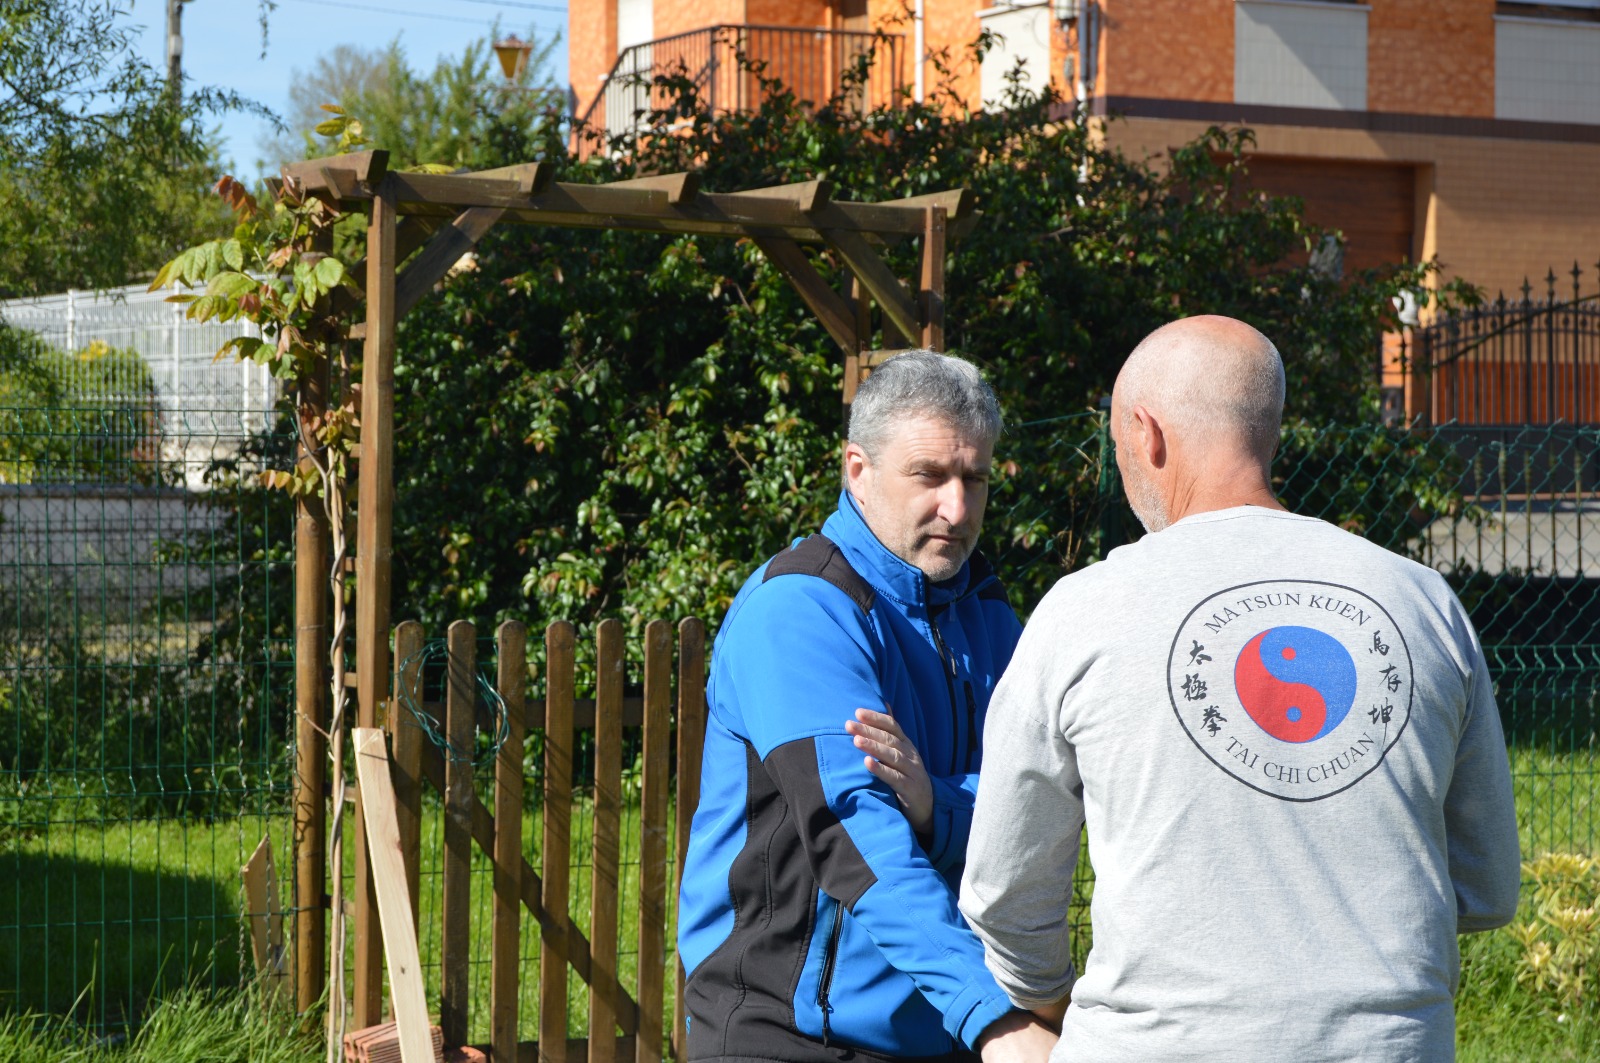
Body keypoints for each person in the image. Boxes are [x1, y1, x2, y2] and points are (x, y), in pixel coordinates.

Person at [959, 316, 1521, 1063]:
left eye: (1119, 446)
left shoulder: (1083, 610)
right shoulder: (1422, 601)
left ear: (1147, 434)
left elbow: (1004, 893)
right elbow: (1487, 886)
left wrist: (1054, 1002)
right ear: (1268, 432)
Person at [677, 350, 1050, 1063]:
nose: (957, 508)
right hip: (788, 1037)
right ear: (858, 469)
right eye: (929, 475)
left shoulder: (988, 615)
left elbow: (1041, 800)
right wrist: (996, 1020)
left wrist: (934, 805)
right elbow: (855, 835)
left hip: (946, 1026)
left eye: (974, 478)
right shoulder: (800, 611)